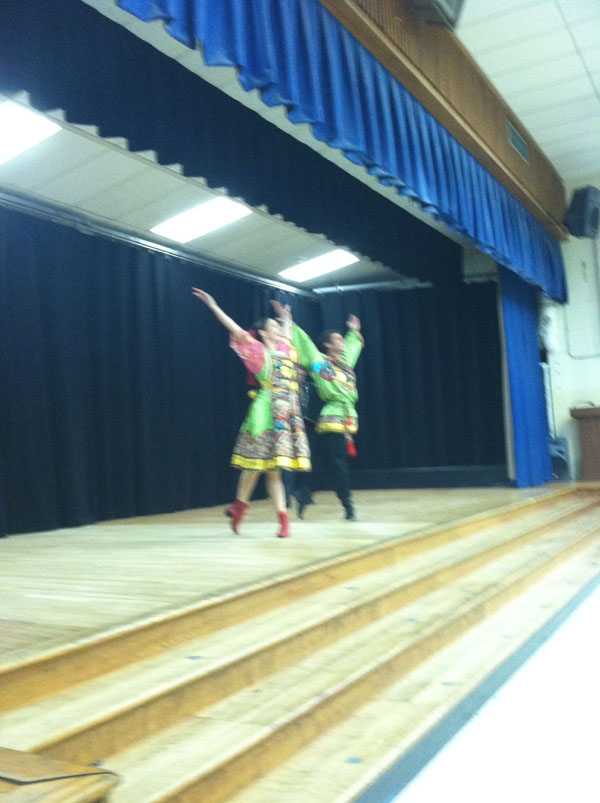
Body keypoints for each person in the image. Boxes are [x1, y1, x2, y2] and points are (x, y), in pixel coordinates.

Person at [192, 288, 310, 538]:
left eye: (279, 327)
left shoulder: (287, 349)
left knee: (274, 471)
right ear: (265, 333)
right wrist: (213, 306)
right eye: (274, 327)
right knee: (255, 467)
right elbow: (235, 330)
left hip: (286, 414)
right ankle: (240, 507)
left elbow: (288, 330)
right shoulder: (259, 353)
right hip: (266, 414)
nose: (279, 329)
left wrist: (286, 317)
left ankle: (281, 519)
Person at [271, 302, 364, 520]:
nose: (342, 342)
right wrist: (288, 322)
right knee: (338, 463)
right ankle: (347, 504)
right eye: (337, 339)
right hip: (333, 419)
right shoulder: (319, 364)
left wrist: (354, 331)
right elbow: (306, 345)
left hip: (346, 416)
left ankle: (305, 492)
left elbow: (353, 346)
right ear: (327, 345)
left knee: (324, 463)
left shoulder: (345, 362)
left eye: (342, 339)